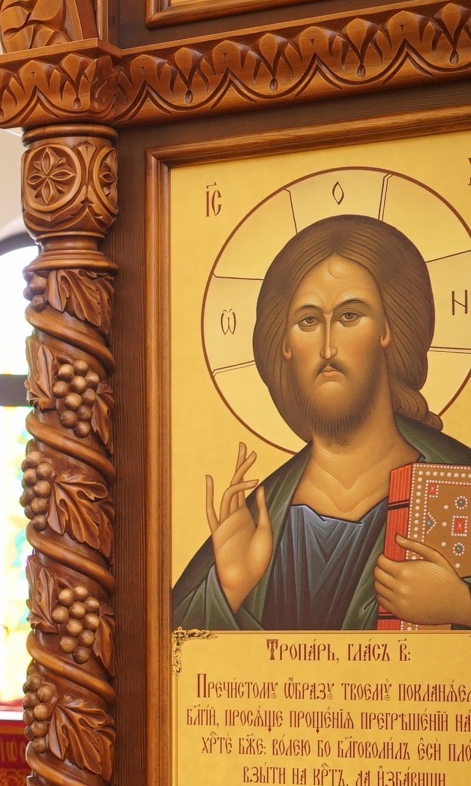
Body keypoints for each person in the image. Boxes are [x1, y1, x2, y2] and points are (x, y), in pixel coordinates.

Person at [173, 214, 471, 629]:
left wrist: (461, 606)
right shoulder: (261, 514)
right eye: (309, 321)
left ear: (388, 329)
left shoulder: (460, 482)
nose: (328, 346)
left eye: (350, 316)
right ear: (286, 344)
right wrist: (230, 588)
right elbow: (171, 647)